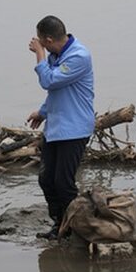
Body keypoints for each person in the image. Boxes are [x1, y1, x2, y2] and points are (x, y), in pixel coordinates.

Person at [27, 15, 95, 240]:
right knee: (46, 180)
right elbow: (57, 91)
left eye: (42, 42)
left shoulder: (78, 56)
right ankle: (59, 224)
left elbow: (49, 81)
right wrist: (43, 112)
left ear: (48, 39)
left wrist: (39, 55)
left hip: (74, 129)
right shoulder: (58, 55)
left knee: (63, 183)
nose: (41, 46)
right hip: (56, 128)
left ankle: (74, 228)